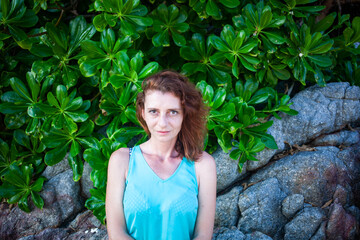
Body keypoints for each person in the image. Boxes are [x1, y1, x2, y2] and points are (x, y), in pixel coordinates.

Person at [105, 70, 217, 240]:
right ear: (143, 113)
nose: (162, 123)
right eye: (154, 111)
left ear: (184, 114)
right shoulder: (121, 161)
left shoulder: (203, 165)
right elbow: (116, 232)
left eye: (173, 112)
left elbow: (203, 235)